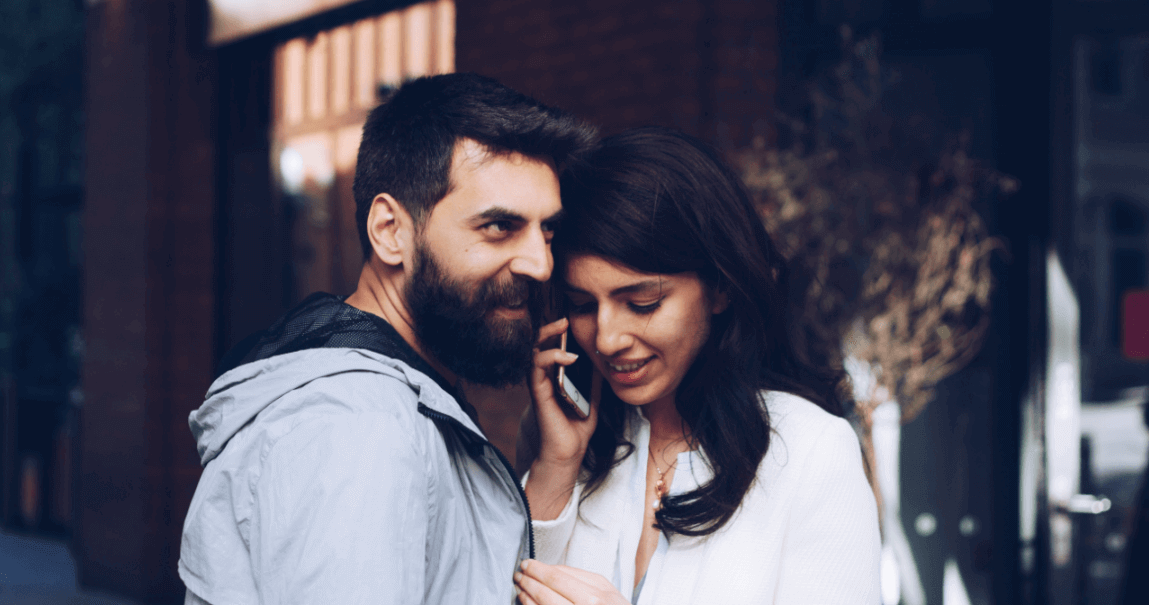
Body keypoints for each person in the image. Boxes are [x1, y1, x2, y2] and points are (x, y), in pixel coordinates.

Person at [178, 73, 596, 604]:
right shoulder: (360, 428)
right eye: (499, 227)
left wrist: (555, 465)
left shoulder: (384, 399)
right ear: (390, 232)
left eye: (548, 232)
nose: (540, 263)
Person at [515, 128, 881, 605]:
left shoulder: (811, 450)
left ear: (720, 288)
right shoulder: (559, 440)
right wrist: (556, 467)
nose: (607, 339)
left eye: (642, 303)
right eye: (583, 305)